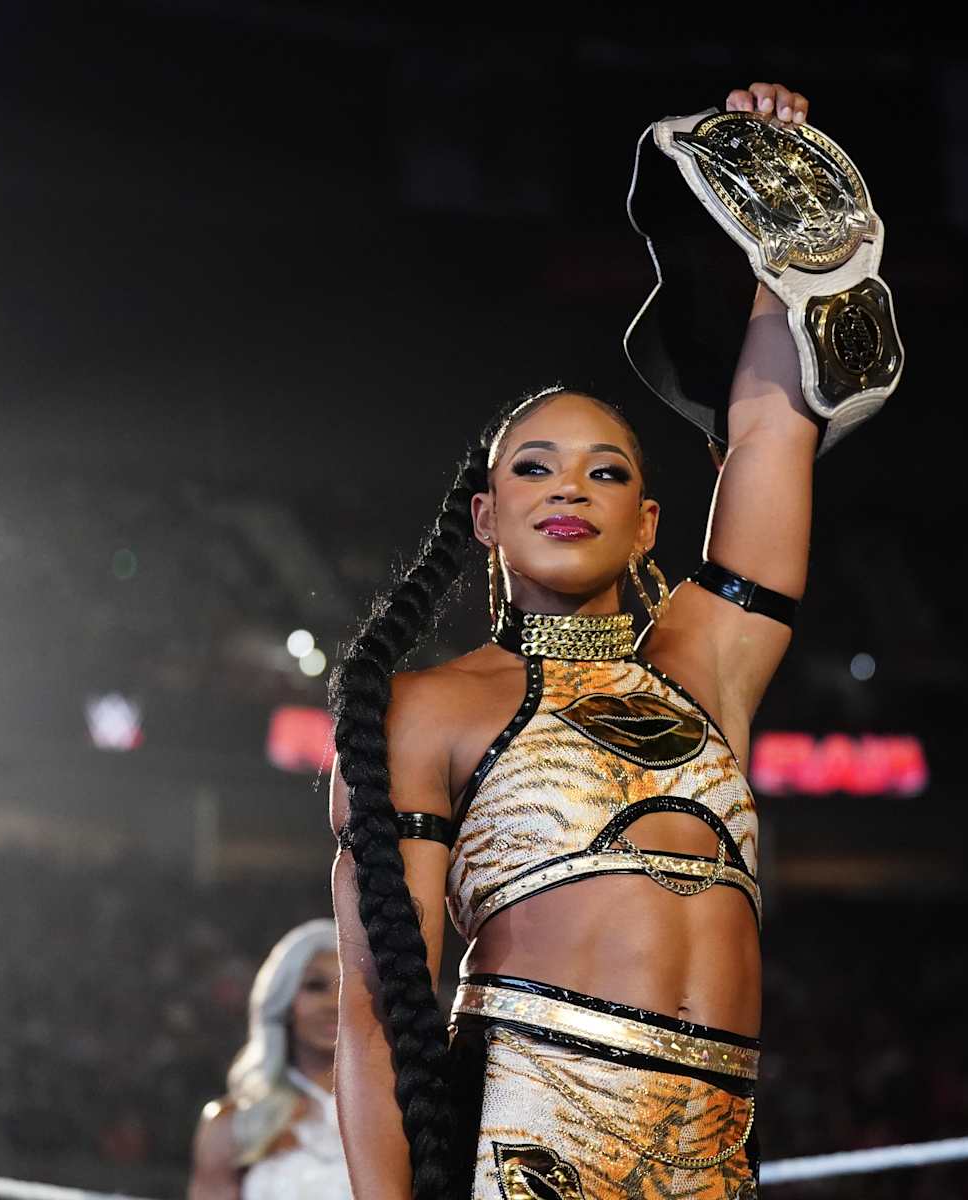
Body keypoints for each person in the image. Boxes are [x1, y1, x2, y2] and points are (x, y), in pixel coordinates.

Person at [329, 79, 819, 1200]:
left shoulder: (708, 661)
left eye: (608, 471)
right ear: (486, 517)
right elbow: (374, 1011)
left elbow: (772, 431)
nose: (571, 489)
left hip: (714, 1160)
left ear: (651, 521)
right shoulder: (425, 707)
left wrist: (778, 209)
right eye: (534, 469)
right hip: (530, 1155)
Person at [189, 918, 350, 1200]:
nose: (333, 1003)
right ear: (283, 1001)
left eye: (346, 987)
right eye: (315, 986)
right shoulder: (232, 1124)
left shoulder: (401, 1112)